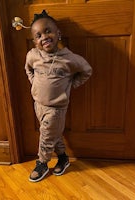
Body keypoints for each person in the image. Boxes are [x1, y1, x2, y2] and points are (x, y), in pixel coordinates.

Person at [25, 10, 92, 182]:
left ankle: (42, 162)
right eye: (38, 35)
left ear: (58, 34)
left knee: (46, 136)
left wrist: (71, 85)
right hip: (38, 104)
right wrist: (33, 81)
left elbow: (87, 71)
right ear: (35, 41)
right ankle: (63, 158)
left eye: (48, 31)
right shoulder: (33, 55)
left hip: (56, 108)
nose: (44, 37)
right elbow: (28, 68)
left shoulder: (69, 59)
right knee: (53, 134)